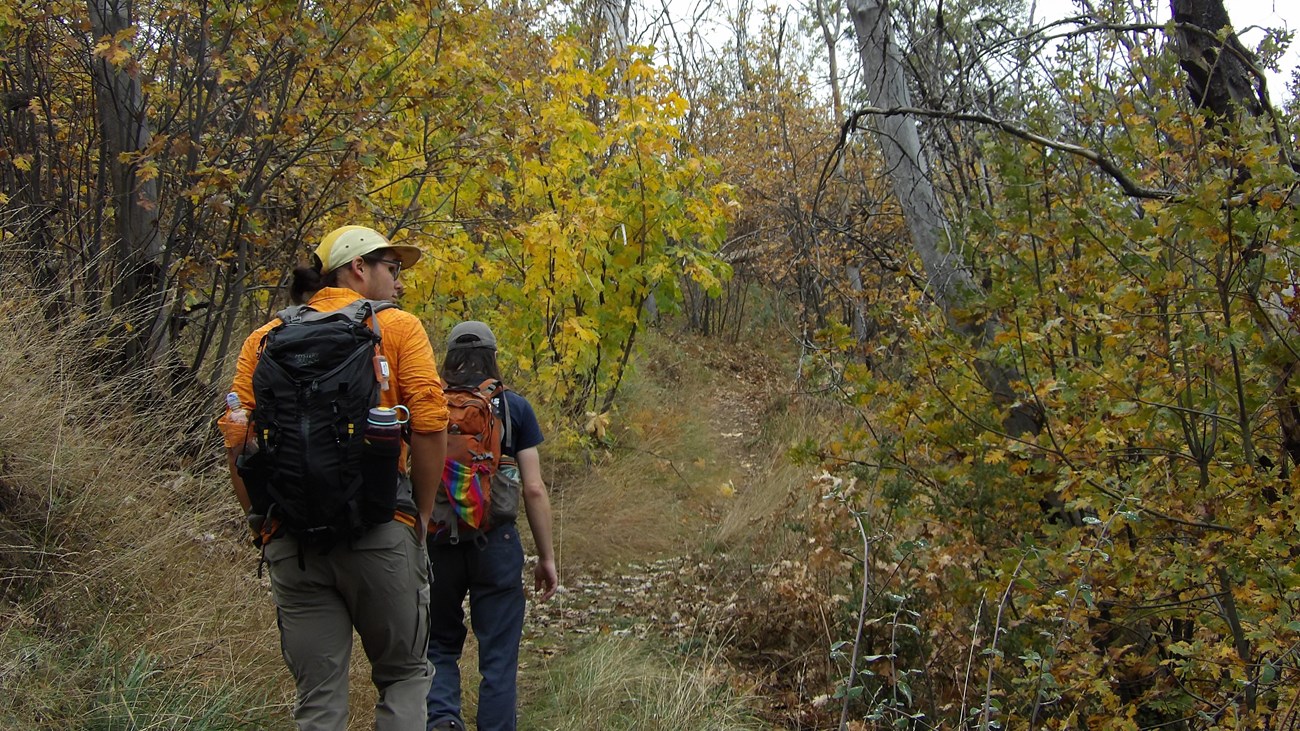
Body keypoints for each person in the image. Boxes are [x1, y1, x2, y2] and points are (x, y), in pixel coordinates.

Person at [219, 224, 448, 731]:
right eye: (392, 268)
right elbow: (431, 427)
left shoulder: (264, 339)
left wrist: (262, 522)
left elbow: (238, 442)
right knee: (405, 675)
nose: (399, 282)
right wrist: (421, 515)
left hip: (293, 540)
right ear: (358, 268)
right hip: (380, 531)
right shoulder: (399, 329)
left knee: (319, 698)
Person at [425, 321, 558, 731]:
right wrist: (546, 557)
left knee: (437, 645)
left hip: (437, 540)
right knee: (498, 655)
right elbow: (533, 489)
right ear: (493, 355)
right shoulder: (514, 407)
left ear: (448, 356)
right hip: (496, 542)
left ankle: (442, 720)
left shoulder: (427, 403)